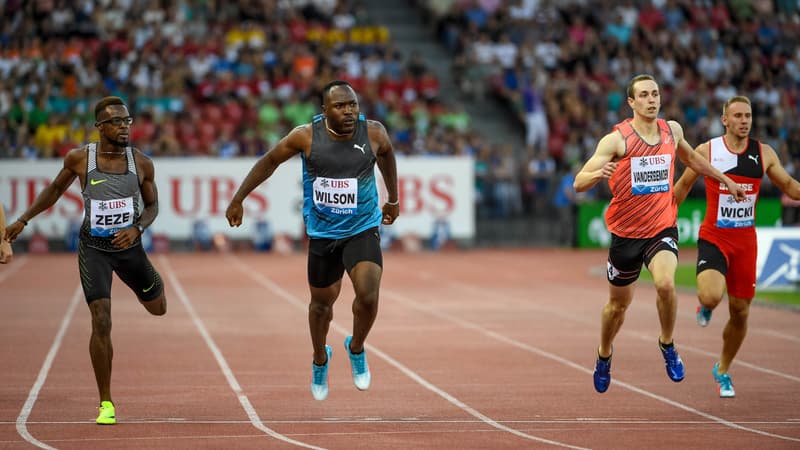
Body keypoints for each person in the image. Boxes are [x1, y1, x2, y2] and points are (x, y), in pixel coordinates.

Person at [225, 80, 399, 401]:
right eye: (340, 106)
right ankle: (321, 358)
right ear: (325, 111)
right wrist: (239, 199)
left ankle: (356, 347)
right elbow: (269, 161)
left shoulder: (373, 132)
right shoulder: (305, 136)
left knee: (368, 295)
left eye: (353, 104)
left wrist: (393, 198)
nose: (349, 111)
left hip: (362, 227)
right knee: (321, 307)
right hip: (323, 233)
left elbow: (387, 156)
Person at [573, 74, 746, 393]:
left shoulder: (672, 130)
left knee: (666, 284)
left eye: (655, 94)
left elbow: (693, 159)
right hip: (625, 235)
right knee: (617, 308)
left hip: (661, 227)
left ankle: (667, 344)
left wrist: (727, 180)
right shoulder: (617, 140)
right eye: (644, 95)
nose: (652, 99)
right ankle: (604, 354)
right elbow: (578, 182)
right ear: (631, 102)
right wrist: (601, 172)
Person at [4, 96, 167, 424]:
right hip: (94, 248)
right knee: (101, 319)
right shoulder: (80, 159)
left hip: (129, 248)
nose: (124, 127)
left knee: (158, 307)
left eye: (127, 121)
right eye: (116, 122)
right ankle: (106, 403)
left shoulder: (142, 163)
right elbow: (53, 191)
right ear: (100, 127)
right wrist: (23, 220)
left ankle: (142, 285)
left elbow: (152, 207)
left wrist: (137, 229)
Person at [673, 95, 800, 398]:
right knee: (712, 294)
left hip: (745, 242)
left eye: (748, 116)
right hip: (715, 236)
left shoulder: (764, 153)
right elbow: (683, 186)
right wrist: (663, 215)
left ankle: (723, 369)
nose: (745, 121)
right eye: (738, 116)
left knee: (741, 312)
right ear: (725, 120)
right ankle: (705, 305)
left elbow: (791, 187)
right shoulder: (709, 150)